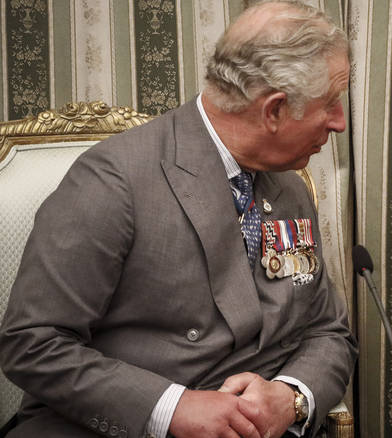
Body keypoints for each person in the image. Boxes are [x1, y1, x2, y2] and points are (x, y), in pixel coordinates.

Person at [0, 1, 357, 437]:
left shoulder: (290, 187)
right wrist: (171, 409)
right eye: (330, 103)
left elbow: (328, 331)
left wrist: (291, 396)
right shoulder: (112, 181)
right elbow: (31, 343)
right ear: (274, 110)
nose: (339, 122)